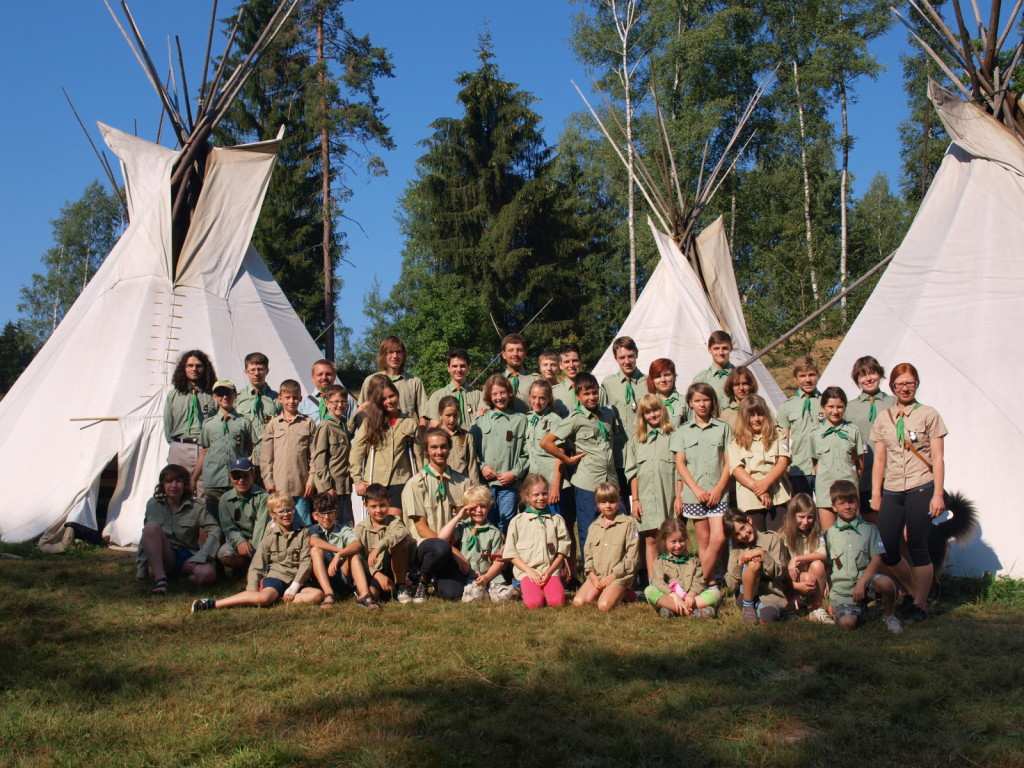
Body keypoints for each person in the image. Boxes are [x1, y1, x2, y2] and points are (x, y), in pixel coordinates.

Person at [870, 362, 947, 624]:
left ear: (917, 384)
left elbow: (938, 459)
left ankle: (919, 604)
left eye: (909, 383)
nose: (905, 388)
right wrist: (876, 493)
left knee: (917, 544)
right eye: (900, 383)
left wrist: (938, 494)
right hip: (892, 488)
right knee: (889, 545)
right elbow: (879, 459)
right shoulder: (884, 418)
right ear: (892, 386)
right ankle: (913, 590)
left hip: (921, 485)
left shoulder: (929, 414)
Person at [190, 494, 321, 612]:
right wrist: (251, 588)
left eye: (289, 510)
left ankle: (278, 598)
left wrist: (294, 587)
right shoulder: (270, 535)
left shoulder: (303, 533)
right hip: (277, 577)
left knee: (317, 595)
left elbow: (305, 562)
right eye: (281, 511)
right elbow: (257, 563)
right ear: (273, 515)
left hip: (297, 580)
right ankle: (213, 604)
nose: (286, 514)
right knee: (263, 598)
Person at [541, 372, 621, 552]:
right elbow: (546, 442)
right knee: (588, 529)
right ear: (578, 396)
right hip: (587, 482)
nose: (592, 397)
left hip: (610, 480)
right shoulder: (575, 418)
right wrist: (567, 459)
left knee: (616, 527)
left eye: (594, 392)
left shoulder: (608, 414)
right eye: (586, 394)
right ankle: (590, 573)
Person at [672, 382, 731, 587]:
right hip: (694, 493)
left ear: (712, 402)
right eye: (697, 401)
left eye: (706, 400)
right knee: (704, 541)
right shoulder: (683, 431)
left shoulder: (723, 428)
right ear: (690, 403)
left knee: (719, 538)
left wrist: (718, 489)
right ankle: (711, 581)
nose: (702, 404)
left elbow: (728, 462)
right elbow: (680, 463)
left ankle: (697, 582)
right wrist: (695, 489)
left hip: (717, 493)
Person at [402, 428, 471, 602]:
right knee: (440, 548)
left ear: (449, 448)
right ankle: (419, 580)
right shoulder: (415, 484)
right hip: (426, 548)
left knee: (453, 593)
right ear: (426, 451)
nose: (439, 452)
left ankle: (435, 579)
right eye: (434, 448)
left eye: (443, 447)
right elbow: (421, 528)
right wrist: (454, 552)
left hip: (450, 548)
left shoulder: (463, 482)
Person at [826, 480, 902, 633]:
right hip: (843, 591)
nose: (848, 506)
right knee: (848, 624)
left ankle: (889, 616)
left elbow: (877, 558)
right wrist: (829, 597)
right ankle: (852, 610)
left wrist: (862, 583)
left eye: (851, 502)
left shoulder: (870, 529)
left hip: (866, 584)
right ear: (834, 507)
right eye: (842, 503)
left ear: (858, 503)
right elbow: (828, 565)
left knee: (887, 583)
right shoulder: (829, 534)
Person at [140, 464, 219, 594]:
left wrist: (201, 556)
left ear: (185, 485)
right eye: (169, 482)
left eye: (178, 481)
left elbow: (215, 529)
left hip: (187, 556)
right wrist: (141, 569)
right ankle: (160, 580)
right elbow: (146, 537)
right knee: (151, 528)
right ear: (162, 485)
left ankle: (180, 579)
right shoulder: (153, 504)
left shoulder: (196, 506)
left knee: (208, 574)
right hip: (165, 555)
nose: (174, 486)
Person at [624, 394, 677, 581]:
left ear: (662, 410)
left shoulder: (673, 435)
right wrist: (635, 500)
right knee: (651, 540)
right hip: (645, 497)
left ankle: (673, 579)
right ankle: (655, 583)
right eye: (648, 412)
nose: (653, 415)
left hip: (668, 496)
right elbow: (632, 473)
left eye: (656, 410)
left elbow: (680, 470)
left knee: (671, 539)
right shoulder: (636, 441)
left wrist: (679, 497)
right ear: (642, 416)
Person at [350, 380, 422, 511]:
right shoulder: (370, 423)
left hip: (401, 481)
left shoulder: (410, 423)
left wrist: (422, 479)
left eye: (391, 396)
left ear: (397, 395)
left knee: (398, 523)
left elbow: (419, 455)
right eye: (384, 399)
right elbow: (357, 452)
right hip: (375, 482)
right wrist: (357, 480)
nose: (389, 401)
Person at [502, 474, 571, 609]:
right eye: (536, 495)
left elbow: (563, 550)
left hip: (550, 571)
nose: (541, 498)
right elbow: (510, 553)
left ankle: (549, 589)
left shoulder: (556, 520)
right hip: (527, 572)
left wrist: (550, 571)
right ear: (527, 497)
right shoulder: (518, 521)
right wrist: (529, 571)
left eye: (544, 494)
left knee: (557, 602)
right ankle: (523, 588)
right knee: (534, 603)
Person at [438, 484, 517, 603]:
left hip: (490, 576)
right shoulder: (462, 528)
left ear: (489, 507)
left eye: (483, 506)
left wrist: (487, 577)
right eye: (474, 507)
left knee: (502, 596)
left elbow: (499, 562)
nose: (479, 510)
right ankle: (481, 592)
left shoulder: (494, 532)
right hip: (468, 575)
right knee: (472, 595)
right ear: (467, 509)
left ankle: (505, 591)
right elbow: (441, 538)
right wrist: (459, 515)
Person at [471, 374, 529, 531]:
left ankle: (505, 554)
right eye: (495, 394)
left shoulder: (521, 420)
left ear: (510, 393)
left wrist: (514, 473)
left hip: (508, 484)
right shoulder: (481, 421)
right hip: (486, 484)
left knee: (506, 522)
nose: (499, 397)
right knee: (487, 521)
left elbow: (526, 452)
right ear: (489, 396)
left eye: (502, 393)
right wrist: (482, 467)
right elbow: (472, 451)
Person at [728, 394, 792, 532]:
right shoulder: (736, 443)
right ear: (744, 418)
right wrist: (760, 490)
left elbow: (783, 461)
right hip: (750, 498)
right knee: (757, 540)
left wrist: (765, 484)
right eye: (751, 415)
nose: (756, 419)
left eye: (760, 414)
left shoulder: (778, 435)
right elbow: (737, 470)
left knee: (779, 538)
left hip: (777, 495)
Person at [573, 483, 638, 612]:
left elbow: (631, 557)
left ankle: (625, 592)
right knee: (578, 602)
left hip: (618, 576)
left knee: (603, 606)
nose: (608, 505)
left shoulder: (628, 524)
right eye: (603, 502)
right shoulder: (593, 526)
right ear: (597, 505)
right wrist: (592, 576)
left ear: (619, 502)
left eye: (612, 501)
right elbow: (588, 554)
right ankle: (604, 591)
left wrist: (611, 577)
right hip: (597, 576)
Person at [260, 379, 316, 528]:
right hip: (279, 487)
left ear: (300, 398)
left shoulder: (308, 423)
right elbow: (266, 458)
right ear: (280, 398)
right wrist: (268, 481)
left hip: (301, 486)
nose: (292, 401)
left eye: (295, 397)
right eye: (287, 397)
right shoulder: (273, 424)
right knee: (279, 524)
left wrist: (311, 479)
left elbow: (314, 456)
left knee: (304, 525)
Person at [307, 493, 378, 609]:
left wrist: (340, 555)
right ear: (315, 516)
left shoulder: (343, 528)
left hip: (342, 572)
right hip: (322, 576)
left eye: (330, 512)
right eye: (322, 514)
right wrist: (338, 550)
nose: (326, 517)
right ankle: (329, 594)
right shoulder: (312, 529)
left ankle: (365, 596)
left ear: (336, 513)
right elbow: (313, 541)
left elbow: (357, 544)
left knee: (354, 555)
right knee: (315, 551)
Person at [194, 379, 254, 517]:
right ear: (215, 397)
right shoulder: (208, 424)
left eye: (228, 393)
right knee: (214, 523)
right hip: (214, 481)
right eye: (220, 394)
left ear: (235, 395)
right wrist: (194, 477)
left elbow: (249, 450)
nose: (225, 397)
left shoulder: (243, 422)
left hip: (237, 481)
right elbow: (204, 451)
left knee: (237, 520)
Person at [844, 355, 894, 520]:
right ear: (857, 379)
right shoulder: (849, 408)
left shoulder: (894, 402)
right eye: (863, 375)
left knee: (895, 524)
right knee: (871, 523)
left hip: (892, 473)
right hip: (864, 475)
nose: (868, 378)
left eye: (872, 373)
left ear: (880, 375)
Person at [811, 386, 865, 530]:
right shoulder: (815, 434)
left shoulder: (853, 431)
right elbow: (815, 463)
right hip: (825, 491)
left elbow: (860, 464)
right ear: (823, 407)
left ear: (845, 407)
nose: (835, 411)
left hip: (849, 491)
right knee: (829, 535)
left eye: (840, 407)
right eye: (830, 406)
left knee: (853, 534)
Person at [644, 518, 721, 618]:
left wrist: (691, 595)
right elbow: (658, 582)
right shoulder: (660, 561)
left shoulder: (694, 561)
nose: (678, 545)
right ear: (665, 541)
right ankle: (691, 612)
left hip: (691, 599)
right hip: (671, 598)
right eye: (673, 542)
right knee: (649, 591)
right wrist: (673, 595)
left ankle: (674, 610)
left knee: (715, 593)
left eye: (681, 541)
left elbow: (699, 581)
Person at [600, 335, 646, 501]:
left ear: (636, 354)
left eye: (630, 356)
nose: (627, 361)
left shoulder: (648, 383)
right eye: (622, 358)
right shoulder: (608, 384)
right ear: (616, 358)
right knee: (621, 502)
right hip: (619, 453)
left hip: (642, 451)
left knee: (642, 500)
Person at [355, 483, 417, 603]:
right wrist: (376, 574)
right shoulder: (360, 528)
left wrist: (378, 547)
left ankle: (401, 586)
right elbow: (359, 558)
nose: (378, 510)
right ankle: (373, 592)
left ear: (389, 502)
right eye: (373, 506)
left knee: (399, 542)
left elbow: (401, 532)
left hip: (395, 568)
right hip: (374, 571)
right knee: (373, 594)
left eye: (382, 505)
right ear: (365, 506)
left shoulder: (395, 521)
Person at [163, 350, 218, 485]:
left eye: (198, 366)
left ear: (205, 368)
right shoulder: (174, 395)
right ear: (184, 368)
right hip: (179, 448)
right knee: (176, 490)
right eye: (190, 365)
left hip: (205, 449)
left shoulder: (213, 395)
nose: (194, 369)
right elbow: (168, 424)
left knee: (203, 492)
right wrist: (176, 444)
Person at [724, 510, 789, 624]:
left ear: (749, 520)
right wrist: (739, 566)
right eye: (737, 534)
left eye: (743, 528)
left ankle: (758, 607)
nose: (743, 535)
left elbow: (781, 572)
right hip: (745, 594)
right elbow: (731, 585)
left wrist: (763, 555)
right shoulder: (736, 549)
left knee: (768, 617)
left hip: (769, 593)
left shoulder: (772, 540)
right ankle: (748, 605)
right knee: (753, 564)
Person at [780, 493, 831, 624]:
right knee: (805, 577)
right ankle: (794, 604)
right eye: (801, 517)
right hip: (795, 577)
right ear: (792, 515)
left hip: (813, 572)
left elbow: (823, 554)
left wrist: (797, 559)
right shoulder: (784, 534)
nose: (806, 522)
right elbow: (781, 567)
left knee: (818, 564)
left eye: (810, 517)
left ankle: (816, 607)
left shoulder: (816, 531)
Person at [776, 355, 823, 496]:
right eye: (802, 376)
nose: (807, 380)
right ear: (796, 378)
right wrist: (785, 466)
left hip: (824, 469)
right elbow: (783, 440)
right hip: (798, 469)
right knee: (802, 513)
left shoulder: (827, 403)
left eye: (811, 375)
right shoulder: (787, 406)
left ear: (818, 375)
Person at [360, 336, 428, 426]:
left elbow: (424, 415)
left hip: (408, 435)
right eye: (390, 352)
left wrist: (421, 434)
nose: (395, 356)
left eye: (398, 352)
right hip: (379, 434)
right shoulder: (370, 381)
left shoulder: (414, 382)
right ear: (383, 355)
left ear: (404, 355)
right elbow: (361, 411)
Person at [216, 458, 269, 573]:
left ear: (253, 475)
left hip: (259, 540)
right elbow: (228, 528)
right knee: (224, 554)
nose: (241, 480)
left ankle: (253, 568)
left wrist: (253, 549)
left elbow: (261, 528)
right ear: (230, 478)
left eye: (245, 476)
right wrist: (240, 541)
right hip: (238, 541)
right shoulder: (225, 499)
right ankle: (245, 567)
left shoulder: (263, 497)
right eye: (236, 476)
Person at [311, 384, 353, 526]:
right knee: (334, 526)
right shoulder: (325, 426)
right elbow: (319, 459)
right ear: (327, 404)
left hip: (344, 485)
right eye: (335, 402)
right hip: (332, 488)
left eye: (343, 401)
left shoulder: (344, 425)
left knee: (347, 524)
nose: (339, 405)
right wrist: (327, 487)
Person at [426, 349, 483, 428]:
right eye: (454, 366)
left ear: (468, 368)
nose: (459, 370)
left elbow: (483, 422)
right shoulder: (437, 397)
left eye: (462, 366)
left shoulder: (479, 396)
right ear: (448, 368)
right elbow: (434, 425)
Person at [235, 352, 279, 448]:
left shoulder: (277, 399)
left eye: (260, 369)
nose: (256, 373)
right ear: (246, 371)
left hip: (270, 450)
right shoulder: (237, 398)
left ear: (267, 371)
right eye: (252, 370)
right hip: (245, 451)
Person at [436, 394, 482, 484]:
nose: (452, 419)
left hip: (462, 485)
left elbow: (472, 466)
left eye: (455, 415)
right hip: (440, 484)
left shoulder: (466, 436)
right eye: (448, 415)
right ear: (440, 414)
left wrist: (475, 489)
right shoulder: (434, 437)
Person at [692, 330, 735, 410]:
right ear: (709, 350)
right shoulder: (701, 379)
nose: (721, 352)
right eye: (716, 348)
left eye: (725, 348)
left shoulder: (740, 377)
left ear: (731, 348)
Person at [500, 332, 537, 413]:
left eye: (519, 350)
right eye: (511, 350)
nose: (515, 354)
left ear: (525, 353)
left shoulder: (536, 380)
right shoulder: (495, 382)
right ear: (503, 355)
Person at [298, 359, 341, 425]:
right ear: (313, 378)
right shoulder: (303, 405)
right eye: (320, 374)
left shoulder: (347, 400)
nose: (324, 377)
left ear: (334, 376)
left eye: (328, 374)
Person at [647, 358, 686, 427]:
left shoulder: (685, 402)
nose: (663, 380)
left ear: (674, 376)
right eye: (658, 376)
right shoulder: (647, 403)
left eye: (667, 375)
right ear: (652, 380)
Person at [720, 365, 758, 433]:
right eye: (737, 384)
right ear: (731, 387)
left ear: (751, 385)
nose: (741, 388)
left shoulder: (762, 409)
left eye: (745, 384)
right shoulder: (725, 415)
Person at [551, 343, 582, 417]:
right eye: (567, 362)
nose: (571, 365)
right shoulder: (553, 393)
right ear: (561, 365)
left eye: (574, 361)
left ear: (580, 362)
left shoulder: (593, 389)